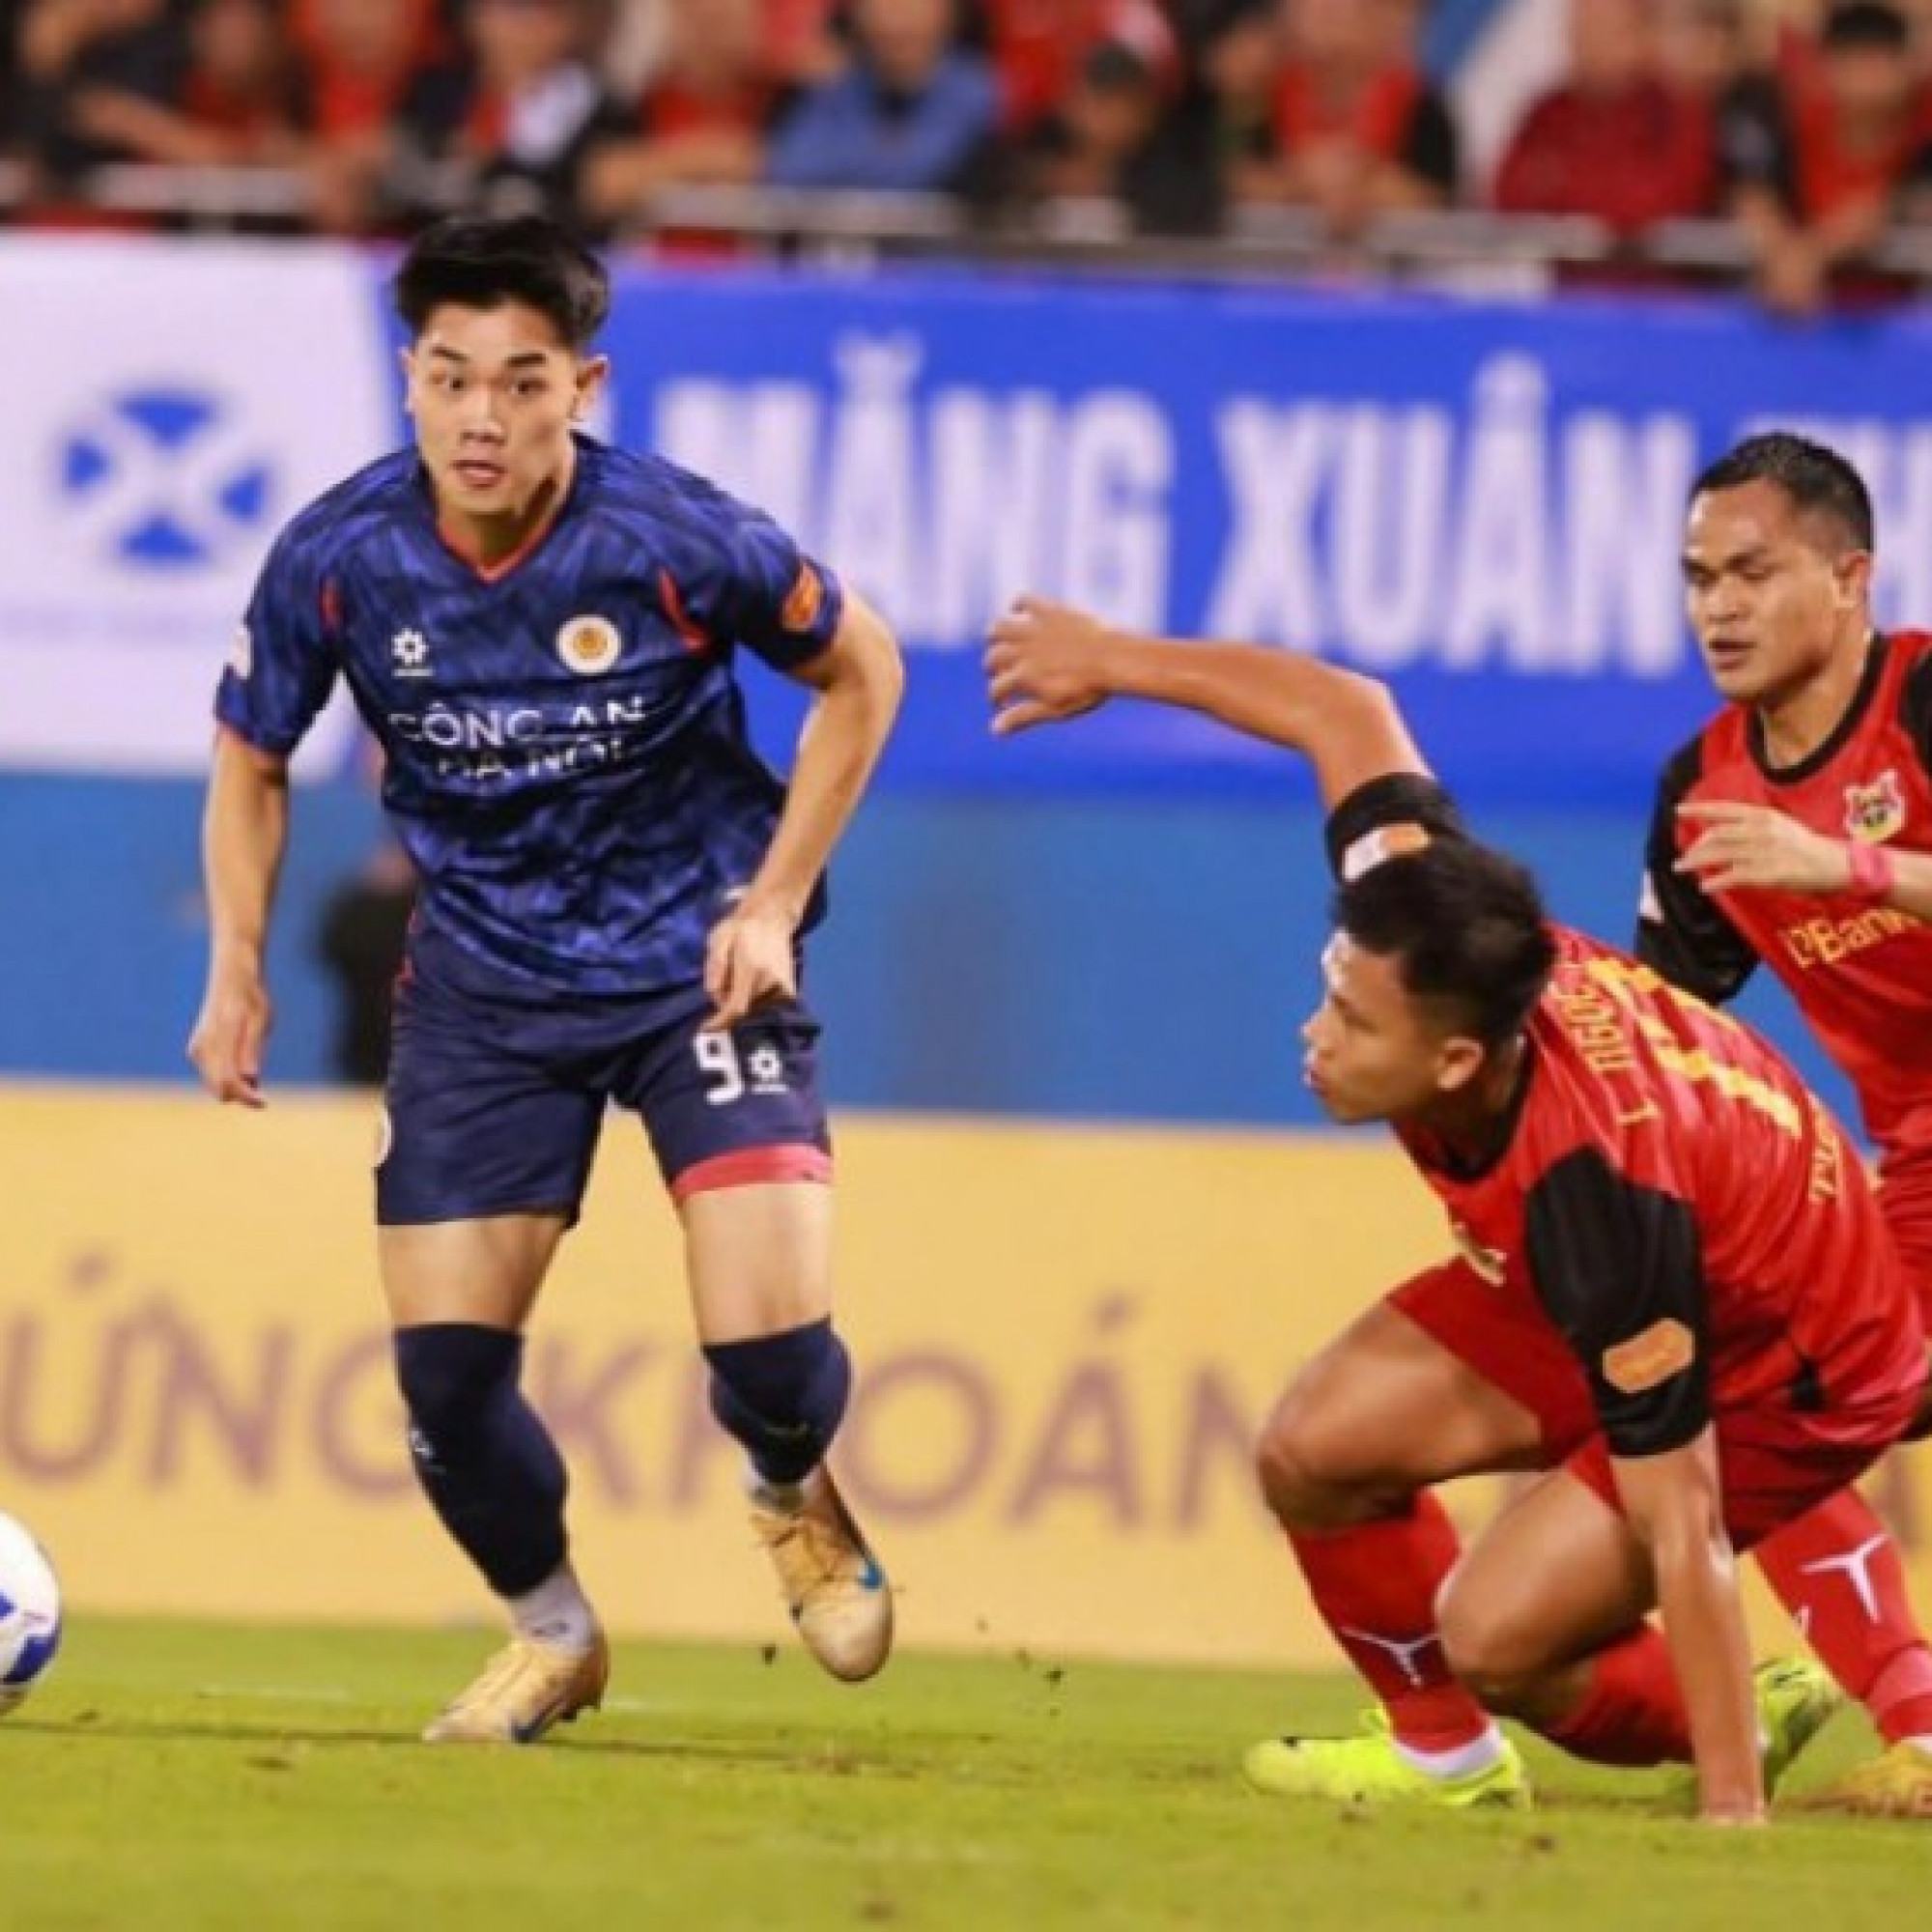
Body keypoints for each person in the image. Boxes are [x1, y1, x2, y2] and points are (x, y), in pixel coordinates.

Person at [983, 599, 1928, 1824]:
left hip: (1802, 1350)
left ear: (1452, 1064)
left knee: (1496, 1631)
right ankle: (1447, 1757)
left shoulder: (1595, 1190)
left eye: (1354, 1028)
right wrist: (1113, 661)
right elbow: (1344, 709)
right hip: (1684, 1241)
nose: (1313, 1038)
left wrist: (1729, 1812)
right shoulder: (1423, 914)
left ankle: (1731, 1730)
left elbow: (1681, 1511)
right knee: (1313, 1449)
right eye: (1331, 994)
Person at [188, 213, 905, 1743]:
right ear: (407, 381)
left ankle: (790, 1486)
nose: (481, 419)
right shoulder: (339, 558)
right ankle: (554, 1635)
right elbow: (251, 757)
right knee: (446, 1385)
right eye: (450, 379)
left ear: (583, 384)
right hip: (486, 995)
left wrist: (776, 897)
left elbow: (868, 669)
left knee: (773, 1356)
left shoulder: (675, 540)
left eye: (521, 384)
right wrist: (235, 964)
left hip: (696, 965)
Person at [1639, 429, 1932, 1814]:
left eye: (1753, 572)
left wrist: (1849, 864)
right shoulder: (1701, 792)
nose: (1719, 607)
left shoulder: (1924, 701)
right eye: (1699, 577)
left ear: (1852, 578)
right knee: (1759, 1395)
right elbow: (1654, 1041)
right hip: (1917, 1160)